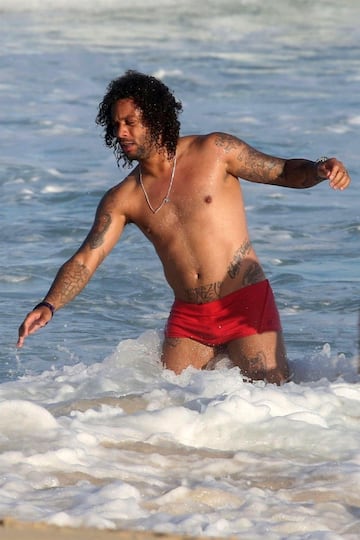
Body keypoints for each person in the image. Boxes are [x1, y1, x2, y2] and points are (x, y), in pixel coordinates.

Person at [17, 70, 351, 384]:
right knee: (168, 410)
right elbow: (84, 260)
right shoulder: (123, 198)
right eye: (116, 124)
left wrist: (320, 169)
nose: (120, 132)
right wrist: (48, 305)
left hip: (244, 303)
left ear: (156, 118)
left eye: (130, 122)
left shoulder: (215, 151)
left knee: (276, 401)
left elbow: (282, 171)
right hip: (189, 320)